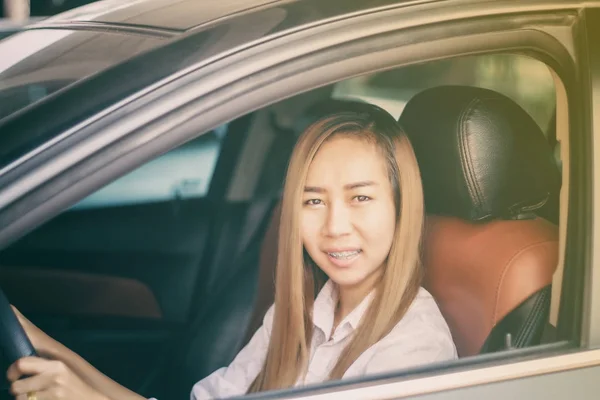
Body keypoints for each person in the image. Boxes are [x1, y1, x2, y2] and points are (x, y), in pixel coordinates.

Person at [7, 103, 457, 400]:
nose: (335, 227)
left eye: (360, 198)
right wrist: (52, 351)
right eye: (313, 201)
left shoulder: (415, 350)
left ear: (403, 207)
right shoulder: (300, 312)